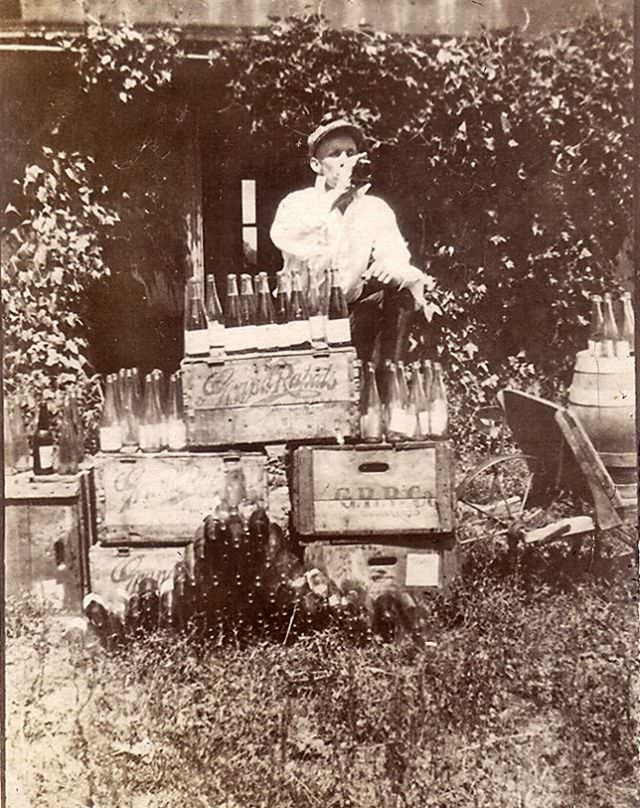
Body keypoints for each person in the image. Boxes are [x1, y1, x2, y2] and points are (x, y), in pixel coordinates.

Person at [270, 117, 435, 364]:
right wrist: (338, 195)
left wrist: (388, 269)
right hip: (303, 314)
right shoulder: (298, 204)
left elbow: (397, 256)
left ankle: (384, 385)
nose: (346, 160)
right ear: (317, 165)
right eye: (335, 154)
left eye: (351, 152)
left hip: (351, 312)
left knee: (402, 295)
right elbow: (305, 246)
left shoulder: (374, 208)